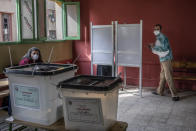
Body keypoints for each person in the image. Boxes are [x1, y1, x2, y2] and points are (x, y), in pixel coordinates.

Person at [6, 47, 43, 121]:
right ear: (30, 54)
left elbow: (41, 69)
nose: (36, 55)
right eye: (34, 53)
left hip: (33, 82)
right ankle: (11, 113)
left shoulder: (39, 61)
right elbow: (22, 71)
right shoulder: (25, 61)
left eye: (37, 53)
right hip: (21, 81)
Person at [148, 24, 180, 101]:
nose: (155, 30)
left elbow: (164, 48)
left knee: (168, 76)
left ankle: (174, 95)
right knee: (162, 75)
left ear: (160, 30)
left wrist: (154, 47)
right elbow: (159, 49)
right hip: (162, 59)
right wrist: (152, 47)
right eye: (155, 29)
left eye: (157, 29)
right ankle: (160, 91)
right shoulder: (158, 38)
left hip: (166, 59)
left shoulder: (163, 37)